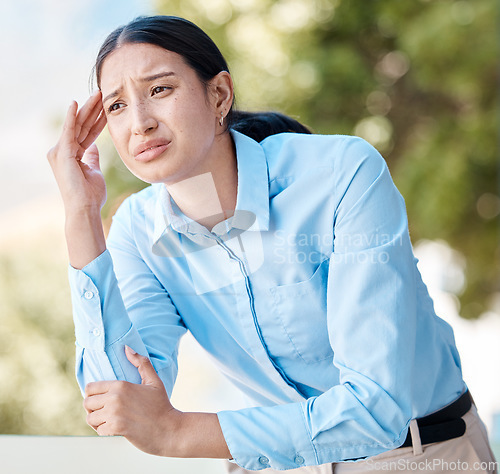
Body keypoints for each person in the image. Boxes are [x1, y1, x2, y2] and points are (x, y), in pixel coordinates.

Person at [47, 15, 498, 473]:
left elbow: (375, 410)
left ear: (218, 94)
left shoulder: (342, 175)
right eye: (118, 105)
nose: (139, 123)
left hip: (421, 457)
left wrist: (178, 432)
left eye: (159, 90)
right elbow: (122, 400)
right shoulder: (137, 231)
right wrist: (81, 215)